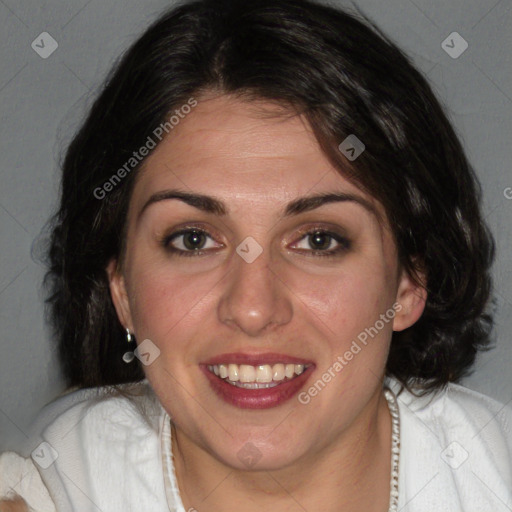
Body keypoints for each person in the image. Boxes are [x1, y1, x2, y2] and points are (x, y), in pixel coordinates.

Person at [1, 0, 511, 510]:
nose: (252, 308)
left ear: (408, 282)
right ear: (121, 290)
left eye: (318, 240)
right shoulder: (49, 491)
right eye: (193, 240)